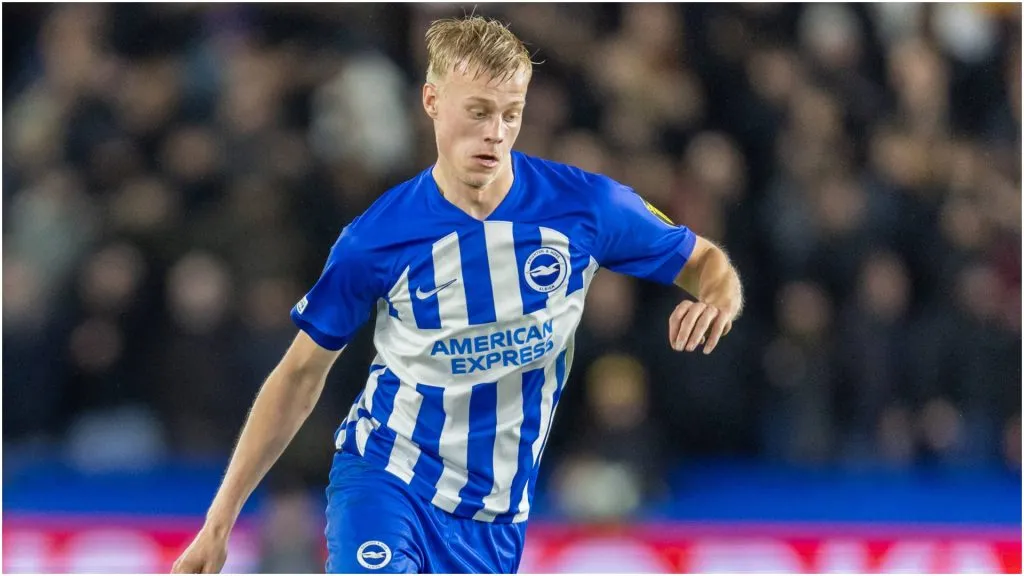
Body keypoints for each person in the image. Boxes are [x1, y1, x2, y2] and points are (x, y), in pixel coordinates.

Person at [172, 15, 743, 574]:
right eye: (478, 111)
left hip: (495, 519)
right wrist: (219, 524)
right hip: (386, 478)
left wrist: (718, 299)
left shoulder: (586, 207)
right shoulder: (376, 238)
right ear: (432, 101)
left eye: (511, 114)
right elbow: (299, 375)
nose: (495, 132)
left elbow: (706, 263)